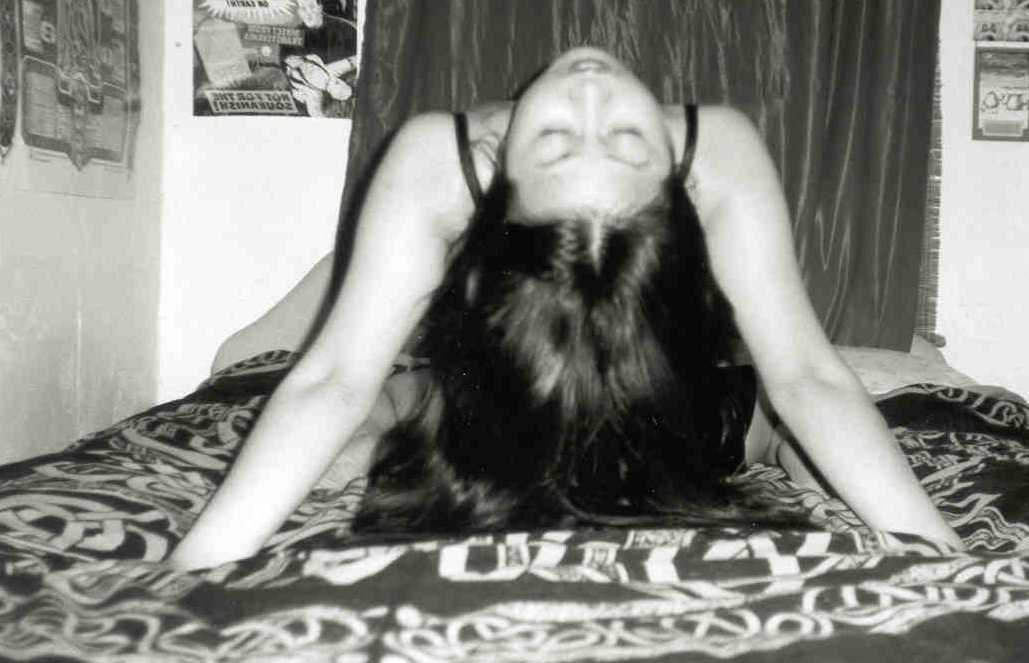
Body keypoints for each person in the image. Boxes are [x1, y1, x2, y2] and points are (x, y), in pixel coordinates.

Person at [169, 47, 963, 570]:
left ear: (681, 185)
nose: (590, 96)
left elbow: (806, 377)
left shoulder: (718, 148)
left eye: (568, 138)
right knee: (404, 406)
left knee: (782, 434)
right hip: (515, 399)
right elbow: (335, 377)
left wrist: (938, 549)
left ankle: (775, 454)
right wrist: (194, 563)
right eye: (589, 138)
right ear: (494, 172)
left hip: (675, 403)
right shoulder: (435, 162)